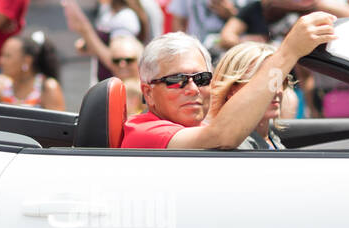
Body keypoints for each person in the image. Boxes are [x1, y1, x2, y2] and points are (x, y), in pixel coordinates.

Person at [121, 13, 333, 150]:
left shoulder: (205, 128)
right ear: (148, 93)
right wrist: (289, 52)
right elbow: (222, 136)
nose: (193, 89)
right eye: (178, 80)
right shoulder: (143, 131)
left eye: (202, 79)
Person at [206, 42, 291, 150]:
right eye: (264, 82)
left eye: (280, 81)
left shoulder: (270, 138)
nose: (277, 90)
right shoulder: (233, 146)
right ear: (232, 91)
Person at [0, 32, 65, 110]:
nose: (0, 61)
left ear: (27, 61)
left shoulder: (48, 88)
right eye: (2, 55)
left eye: (8, 56)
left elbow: (57, 121)